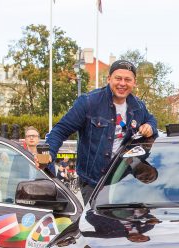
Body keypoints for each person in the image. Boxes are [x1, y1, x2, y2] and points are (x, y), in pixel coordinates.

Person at [43, 59, 158, 203]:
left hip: (124, 181)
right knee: (98, 224)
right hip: (94, 183)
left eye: (128, 79)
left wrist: (150, 126)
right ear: (109, 79)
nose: (122, 83)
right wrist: (49, 153)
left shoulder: (139, 107)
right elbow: (60, 130)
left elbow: (153, 121)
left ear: (134, 83)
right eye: (118, 78)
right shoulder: (88, 102)